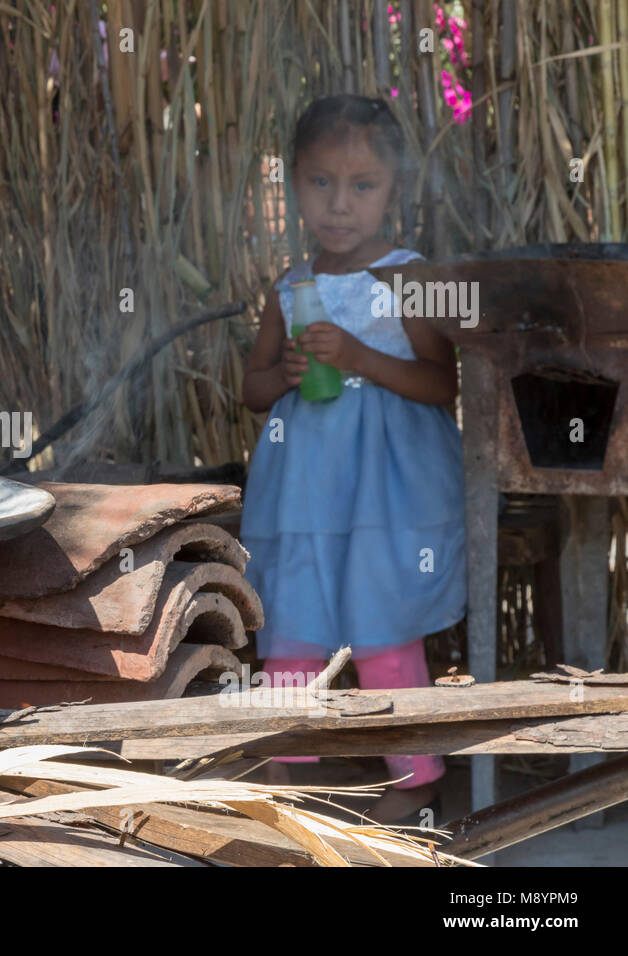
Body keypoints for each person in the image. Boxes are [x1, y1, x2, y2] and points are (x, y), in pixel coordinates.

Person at [238, 94, 466, 825]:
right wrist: (290, 376)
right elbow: (252, 389)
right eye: (320, 183)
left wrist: (362, 356)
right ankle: (289, 770)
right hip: (303, 494)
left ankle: (416, 776)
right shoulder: (289, 288)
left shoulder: (410, 278)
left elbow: (442, 386)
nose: (339, 205)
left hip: (386, 496)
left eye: (362, 186)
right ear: (294, 185)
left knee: (384, 630)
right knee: (292, 630)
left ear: (393, 191)